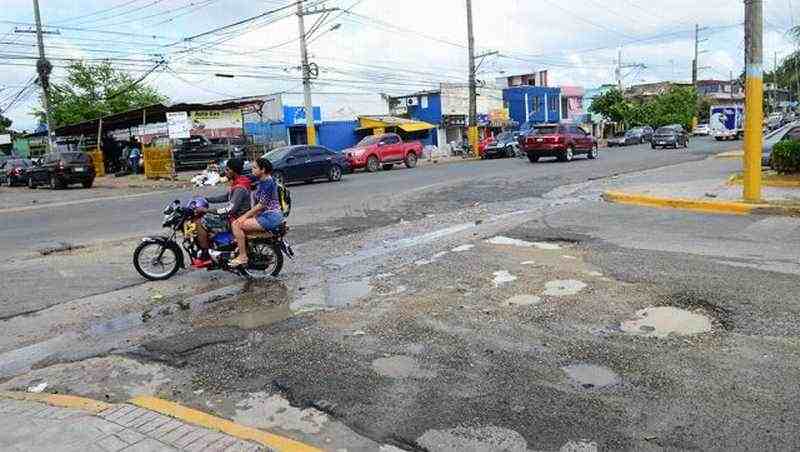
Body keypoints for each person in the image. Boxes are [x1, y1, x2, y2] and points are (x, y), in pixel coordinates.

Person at [192, 158, 252, 267]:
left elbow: (229, 209)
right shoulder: (239, 181)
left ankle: (205, 255)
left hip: (235, 219)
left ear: (234, 171)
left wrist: (205, 210)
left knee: (200, 222)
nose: (226, 172)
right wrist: (206, 199)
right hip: (235, 216)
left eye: (228, 170)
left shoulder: (240, 187)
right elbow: (226, 197)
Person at [230, 157, 284, 267]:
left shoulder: (268, 182)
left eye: (254, 168)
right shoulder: (262, 181)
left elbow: (261, 205)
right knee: (240, 224)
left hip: (271, 217)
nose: (252, 170)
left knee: (236, 224)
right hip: (266, 216)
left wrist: (244, 216)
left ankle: (243, 256)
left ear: (263, 170)